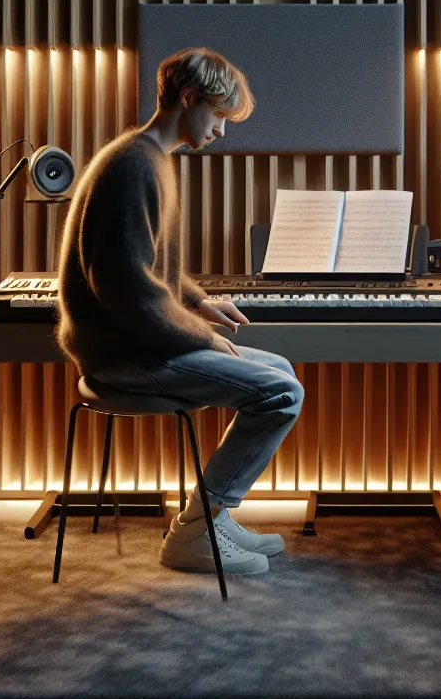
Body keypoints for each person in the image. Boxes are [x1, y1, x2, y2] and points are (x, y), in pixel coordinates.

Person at [55, 47, 302, 575]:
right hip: (123, 353)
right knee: (281, 392)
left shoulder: (148, 159)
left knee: (279, 372)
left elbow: (146, 268)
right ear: (188, 98)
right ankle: (194, 532)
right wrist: (205, 337)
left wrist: (196, 301)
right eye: (217, 115)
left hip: (139, 341)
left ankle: (209, 517)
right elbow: (126, 290)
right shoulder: (132, 167)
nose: (221, 130)